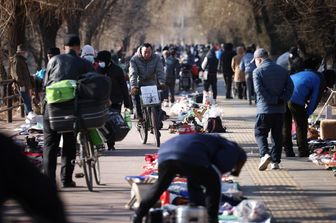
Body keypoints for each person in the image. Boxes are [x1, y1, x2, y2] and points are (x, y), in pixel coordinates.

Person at [132, 134, 247, 223]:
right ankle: (212, 219)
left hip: (165, 152)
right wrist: (232, 172)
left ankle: (138, 215)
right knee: (214, 182)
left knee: (159, 187)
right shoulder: (233, 149)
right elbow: (217, 169)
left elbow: (199, 172)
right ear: (240, 158)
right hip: (188, 155)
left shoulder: (213, 141)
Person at [43, 34, 94, 187]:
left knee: (50, 146)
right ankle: (66, 179)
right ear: (79, 48)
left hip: (51, 108)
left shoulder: (53, 61)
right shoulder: (84, 63)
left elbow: (45, 84)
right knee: (70, 143)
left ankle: (49, 182)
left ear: (64, 47)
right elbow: (92, 86)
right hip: (73, 109)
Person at [0, 132, 68, 223]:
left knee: (50, 143)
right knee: (68, 142)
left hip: (51, 121)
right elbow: (42, 194)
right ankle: (65, 178)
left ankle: (52, 177)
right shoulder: (4, 149)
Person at [252, 48, 294, 171]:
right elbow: (291, 87)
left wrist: (272, 100)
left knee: (260, 133)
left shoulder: (257, 71)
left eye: (255, 61)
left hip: (264, 109)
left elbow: (259, 91)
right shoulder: (282, 70)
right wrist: (283, 99)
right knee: (277, 136)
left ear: (259, 59)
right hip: (280, 110)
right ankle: (275, 162)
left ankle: (264, 154)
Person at [282, 55, 325, 157]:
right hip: (295, 98)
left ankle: (288, 151)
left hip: (283, 96)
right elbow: (315, 99)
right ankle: (303, 151)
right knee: (301, 125)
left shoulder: (299, 73)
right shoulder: (319, 77)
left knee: (285, 124)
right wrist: (307, 113)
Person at [96, 50, 130, 150]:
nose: (100, 63)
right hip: (101, 101)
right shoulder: (97, 70)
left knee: (112, 123)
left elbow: (124, 87)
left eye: (101, 61)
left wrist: (127, 102)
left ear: (107, 60)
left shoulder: (117, 70)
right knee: (103, 122)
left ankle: (111, 144)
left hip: (115, 100)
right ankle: (104, 141)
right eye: (99, 61)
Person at [129, 43, 165, 122]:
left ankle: (157, 120)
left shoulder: (157, 58)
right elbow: (133, 74)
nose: (147, 54)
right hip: (139, 84)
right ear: (141, 51)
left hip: (152, 83)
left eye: (149, 52)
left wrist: (162, 82)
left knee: (157, 101)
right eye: (145, 52)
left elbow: (160, 71)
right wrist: (134, 86)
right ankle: (139, 117)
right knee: (135, 98)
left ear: (152, 51)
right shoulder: (134, 59)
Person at [10, 44, 34, 115]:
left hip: (25, 84)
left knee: (28, 101)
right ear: (21, 52)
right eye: (25, 51)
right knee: (27, 101)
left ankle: (29, 117)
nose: (26, 53)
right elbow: (17, 74)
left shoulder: (21, 59)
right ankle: (29, 117)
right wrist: (21, 85)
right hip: (22, 85)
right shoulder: (17, 60)